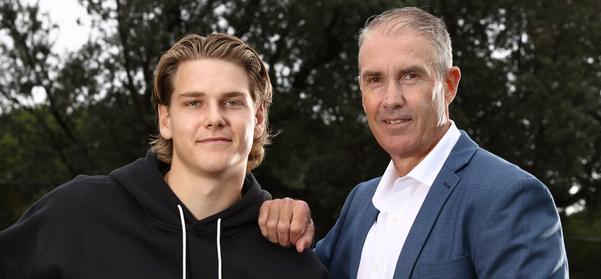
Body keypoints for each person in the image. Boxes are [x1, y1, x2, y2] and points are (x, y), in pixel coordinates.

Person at [259, 7, 569, 278]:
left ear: (449, 86)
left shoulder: (509, 197)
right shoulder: (361, 202)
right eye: (375, 80)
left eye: (410, 76)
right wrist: (286, 222)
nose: (391, 99)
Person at [0, 33, 329, 279]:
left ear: (258, 120)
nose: (214, 118)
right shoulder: (78, 212)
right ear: (166, 119)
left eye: (231, 102)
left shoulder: (292, 262)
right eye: (193, 103)